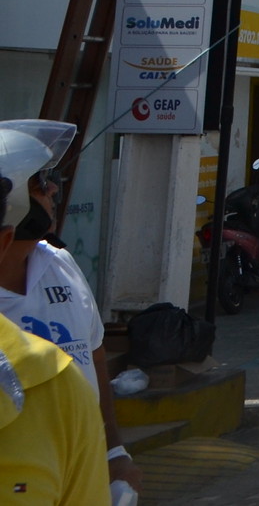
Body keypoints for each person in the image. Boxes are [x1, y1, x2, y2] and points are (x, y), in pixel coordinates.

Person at [0, 123, 136, 503]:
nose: (54, 189)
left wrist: (114, 452)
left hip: (83, 470)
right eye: (41, 182)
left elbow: (94, 357)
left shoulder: (60, 264)